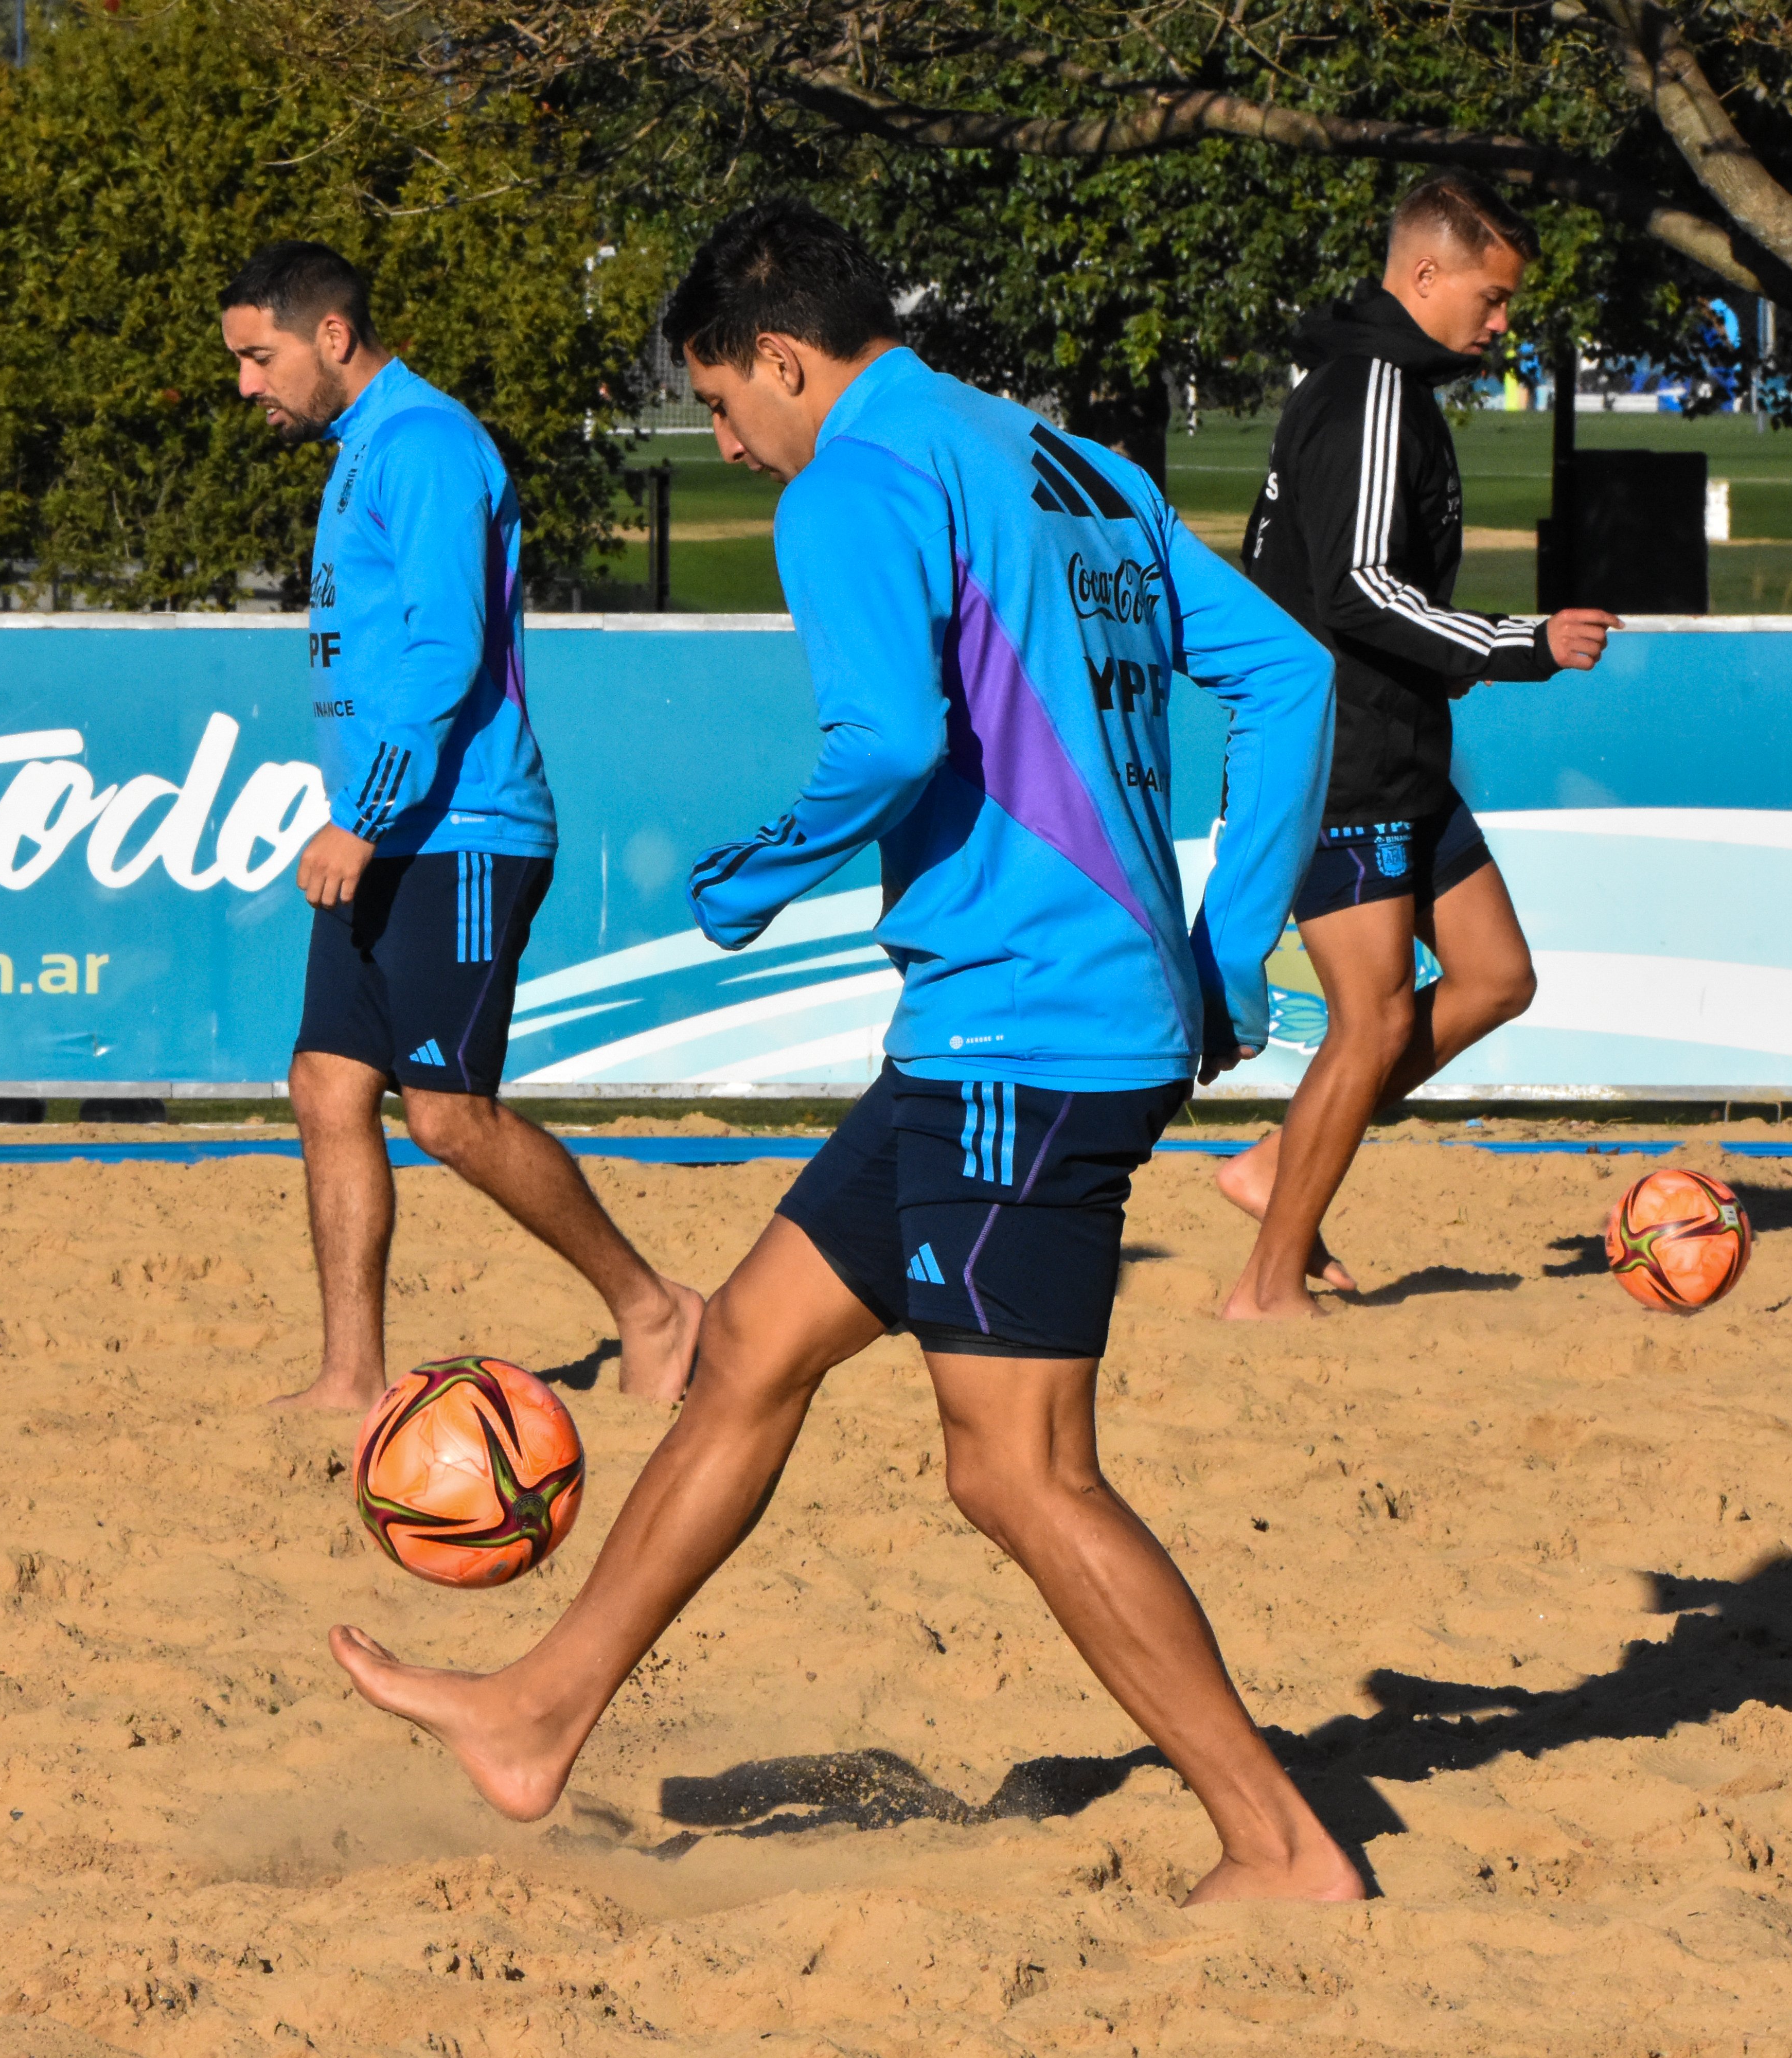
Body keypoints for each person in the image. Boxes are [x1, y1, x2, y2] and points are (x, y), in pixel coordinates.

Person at [328, 202, 1363, 1903]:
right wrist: (1229, 943)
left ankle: (1281, 1844)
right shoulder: (1065, 460)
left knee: (1018, 1474)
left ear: (785, 357)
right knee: (746, 1349)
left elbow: (890, 740)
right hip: (1010, 1025)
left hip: (1024, 1037)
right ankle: (536, 1715)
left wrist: (754, 874)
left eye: (722, 406)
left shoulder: (857, 482)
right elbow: (1292, 678)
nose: (728, 448)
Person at [220, 241, 703, 1408]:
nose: (246, 383)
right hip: (392, 830)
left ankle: (654, 1305)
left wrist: (362, 816)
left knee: (448, 1114)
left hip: (462, 831)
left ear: (333, 336)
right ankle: (350, 1374)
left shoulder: (426, 444)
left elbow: (447, 650)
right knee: (327, 1087)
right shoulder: (363, 450)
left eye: (259, 356)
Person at [1215, 173, 1621, 1321]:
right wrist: (1523, 642)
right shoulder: (1373, 389)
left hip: (1393, 743)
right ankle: (1265, 1289)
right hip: (1338, 755)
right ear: (1427, 274)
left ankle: (1273, 1165)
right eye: (1493, 297)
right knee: (1378, 1016)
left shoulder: (1377, 383)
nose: (1503, 323)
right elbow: (1357, 590)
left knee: (1495, 977)